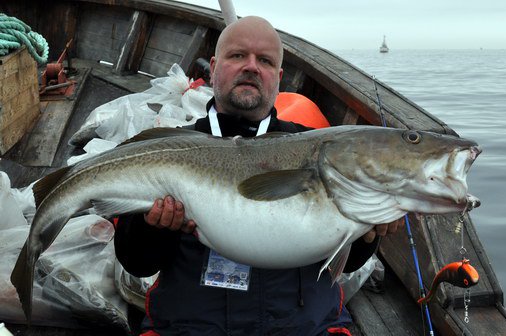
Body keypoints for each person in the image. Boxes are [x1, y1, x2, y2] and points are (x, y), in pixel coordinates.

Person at [114, 16, 403, 336]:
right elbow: (137, 263)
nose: (251, 67)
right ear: (213, 66)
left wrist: (368, 235)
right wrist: (152, 227)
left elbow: (345, 264)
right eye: (238, 56)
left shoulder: (314, 149)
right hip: (190, 327)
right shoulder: (167, 150)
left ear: (278, 78)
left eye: (264, 60)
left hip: (302, 328)